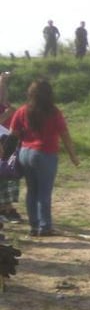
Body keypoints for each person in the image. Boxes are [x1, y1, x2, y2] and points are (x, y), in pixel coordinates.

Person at [7, 79, 80, 236]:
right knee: (44, 192)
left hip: (25, 153)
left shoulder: (22, 111)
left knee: (31, 190)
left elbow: (13, 134)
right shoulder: (53, 112)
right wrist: (73, 155)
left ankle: (34, 226)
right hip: (45, 154)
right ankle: (45, 227)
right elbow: (65, 135)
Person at [0, 72, 22, 223]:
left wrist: (3, 81)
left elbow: (3, 98)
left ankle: (7, 207)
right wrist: (5, 116)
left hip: (7, 139)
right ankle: (6, 208)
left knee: (9, 173)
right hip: (3, 140)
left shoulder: (3, 104)